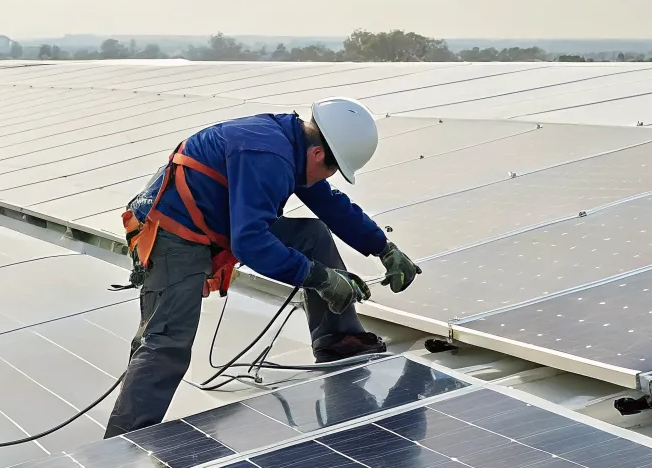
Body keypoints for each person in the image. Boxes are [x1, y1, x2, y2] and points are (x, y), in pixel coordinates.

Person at [102, 98, 423, 438]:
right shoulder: (268, 156)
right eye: (331, 172)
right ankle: (122, 444)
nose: (327, 180)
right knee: (167, 342)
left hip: (216, 220)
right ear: (318, 155)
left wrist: (383, 247)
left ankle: (339, 340)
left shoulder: (293, 143)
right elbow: (251, 242)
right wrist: (321, 278)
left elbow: (330, 205)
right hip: (174, 233)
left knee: (312, 235)